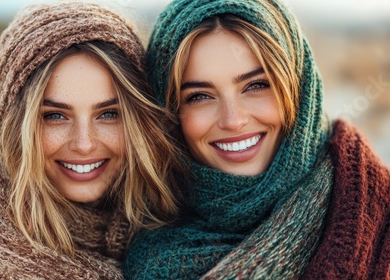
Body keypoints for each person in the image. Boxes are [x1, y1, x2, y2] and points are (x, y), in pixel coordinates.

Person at [0, 2, 183, 279]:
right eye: (55, 116)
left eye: (109, 114)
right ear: (15, 127)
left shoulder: (173, 219)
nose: (84, 143)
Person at [123, 0, 390, 279]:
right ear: (168, 113)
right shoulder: (143, 255)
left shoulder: (378, 212)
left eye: (256, 85)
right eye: (199, 96)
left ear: (299, 87)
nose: (233, 120)